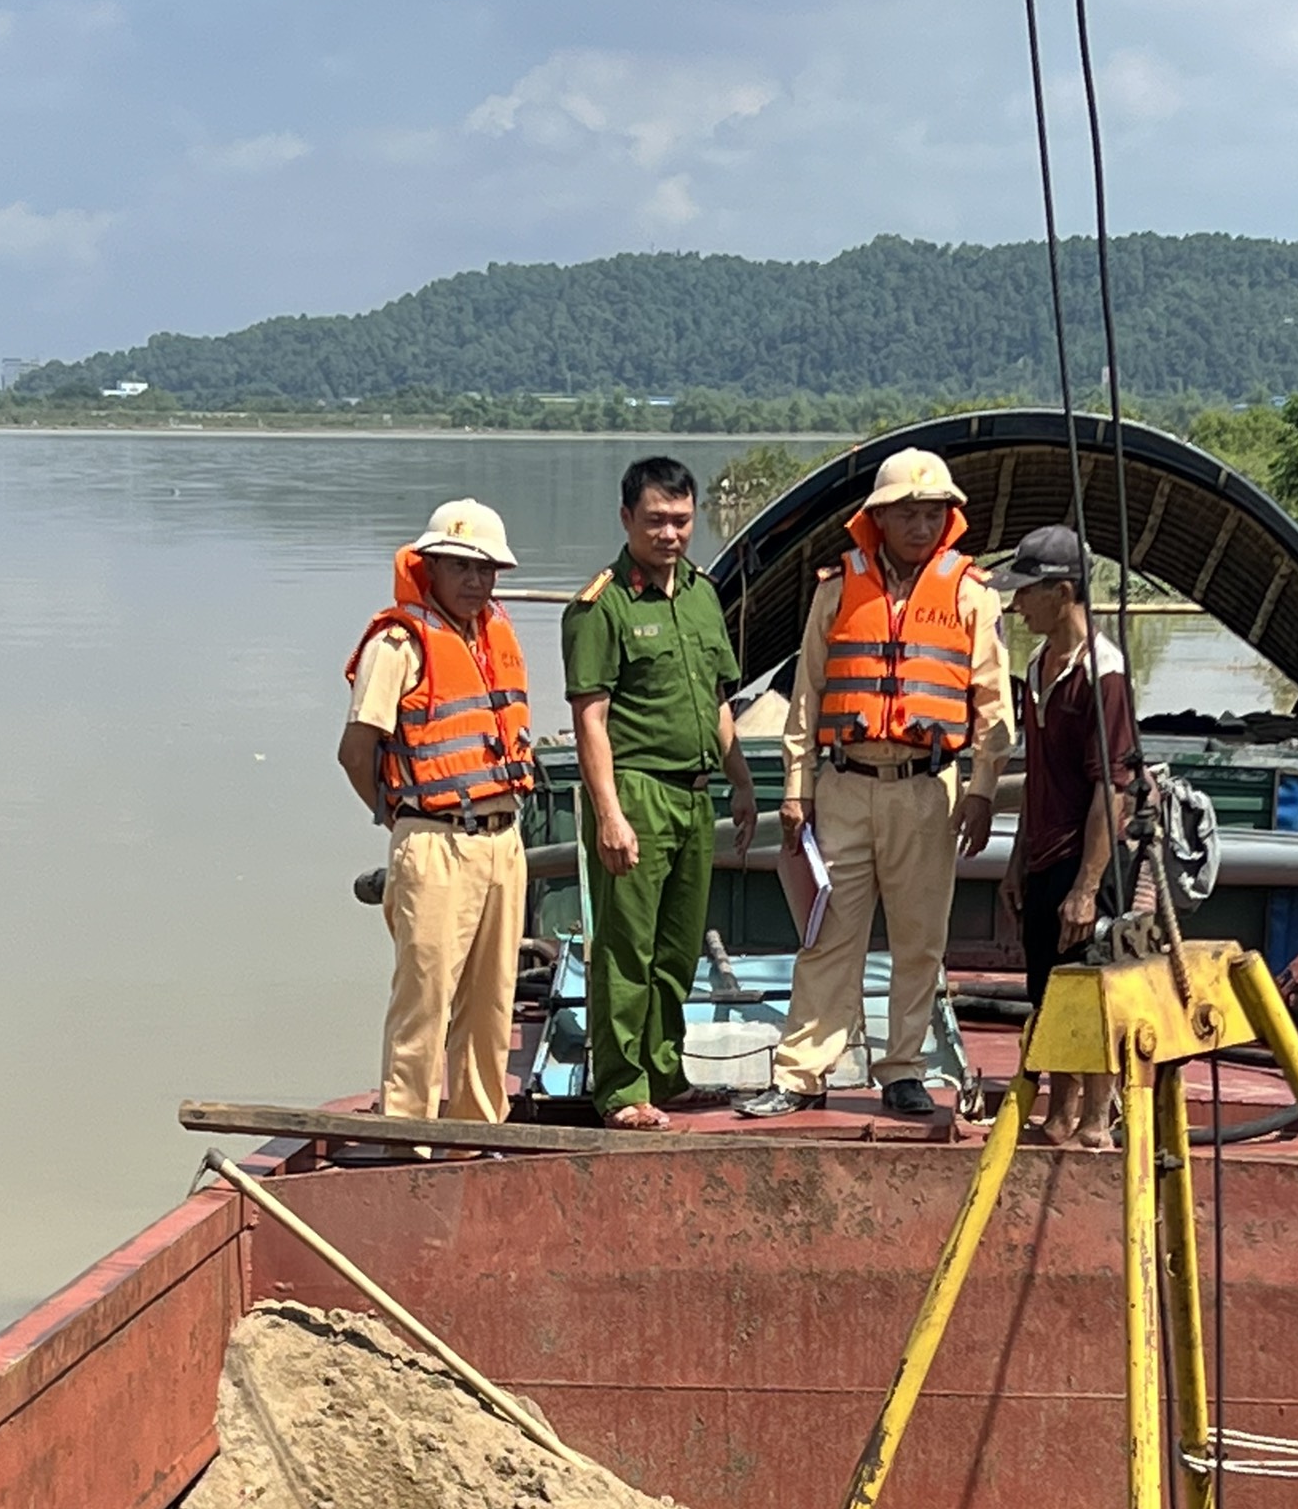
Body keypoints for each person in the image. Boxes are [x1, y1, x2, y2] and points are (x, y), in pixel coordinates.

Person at [737, 448, 1012, 1120]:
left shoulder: (972, 594)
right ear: (879, 520)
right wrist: (795, 788)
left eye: (931, 515)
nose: (921, 527)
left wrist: (981, 790)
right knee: (829, 934)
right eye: (907, 515)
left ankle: (903, 1069)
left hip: (927, 791)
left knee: (919, 939)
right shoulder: (837, 589)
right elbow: (806, 699)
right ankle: (802, 1073)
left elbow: (993, 706)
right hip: (845, 785)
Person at [562, 456, 758, 1130]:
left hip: (696, 797)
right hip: (637, 792)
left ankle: (665, 1072)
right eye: (655, 521)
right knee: (626, 949)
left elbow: (717, 700)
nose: (670, 534)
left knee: (676, 950)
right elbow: (590, 717)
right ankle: (621, 1088)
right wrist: (609, 814)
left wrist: (741, 782)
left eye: (680, 520)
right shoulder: (603, 605)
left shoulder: (704, 595)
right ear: (627, 520)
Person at [338, 498, 534, 1126]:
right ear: (431, 567)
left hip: (503, 840)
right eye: (461, 568)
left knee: (492, 1001)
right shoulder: (398, 643)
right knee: (424, 998)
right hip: (432, 839)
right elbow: (355, 750)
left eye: (486, 571)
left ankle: (480, 1127)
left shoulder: (493, 636)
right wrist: (400, 816)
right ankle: (408, 1132)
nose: (476, 583)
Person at [992, 524, 1136, 1148]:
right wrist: (1018, 862)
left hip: (1086, 860)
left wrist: (1088, 884)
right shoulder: (1038, 666)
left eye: (1028, 592)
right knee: (1048, 990)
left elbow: (1113, 786)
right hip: (1046, 854)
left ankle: (1097, 1119)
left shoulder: (1104, 673)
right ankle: (1058, 1111)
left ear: (1063, 591)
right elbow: (1039, 775)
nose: (1017, 604)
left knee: (1092, 989)